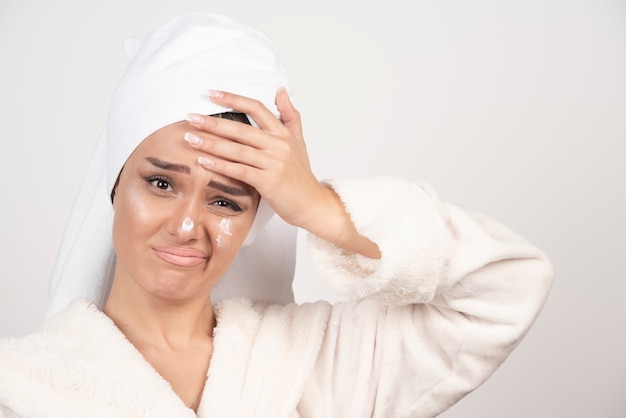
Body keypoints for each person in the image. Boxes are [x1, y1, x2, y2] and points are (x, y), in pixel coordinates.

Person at [0, 12, 553, 417]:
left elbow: (507, 286)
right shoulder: (22, 384)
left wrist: (319, 206)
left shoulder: (313, 364)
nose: (188, 225)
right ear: (116, 183)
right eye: (162, 183)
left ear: (257, 220)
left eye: (226, 200)